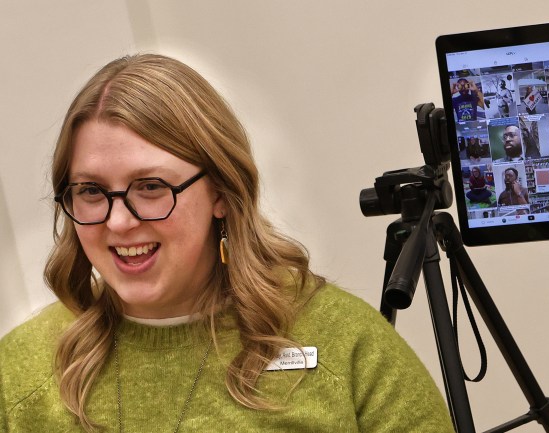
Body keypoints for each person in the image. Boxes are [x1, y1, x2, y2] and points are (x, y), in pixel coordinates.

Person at [0, 54, 454, 432]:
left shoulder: (346, 347)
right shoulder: (19, 374)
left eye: (152, 186)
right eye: (92, 192)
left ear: (220, 190)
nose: (119, 222)